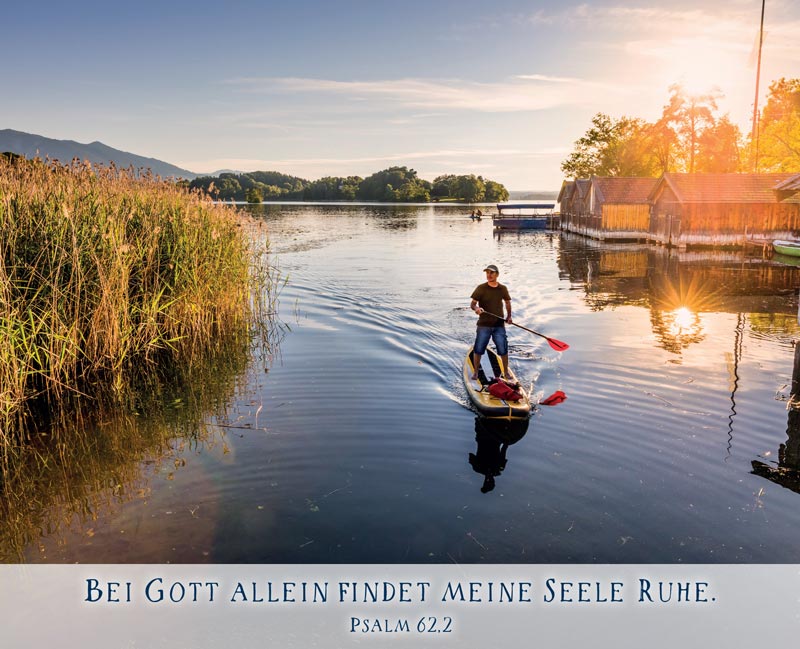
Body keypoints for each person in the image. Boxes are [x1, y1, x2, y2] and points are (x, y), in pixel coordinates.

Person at [469, 264, 512, 380]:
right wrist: (476, 309)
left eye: (492, 273)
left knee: (503, 349)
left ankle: (506, 372)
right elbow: (472, 304)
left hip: (499, 325)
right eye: (487, 273)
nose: (489, 275)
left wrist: (509, 316)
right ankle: (476, 372)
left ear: (497, 274)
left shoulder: (502, 289)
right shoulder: (481, 288)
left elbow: (507, 302)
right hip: (484, 325)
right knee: (478, 349)